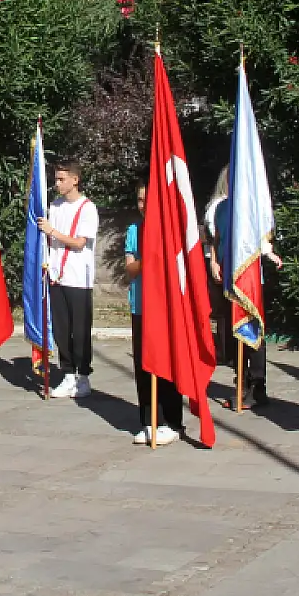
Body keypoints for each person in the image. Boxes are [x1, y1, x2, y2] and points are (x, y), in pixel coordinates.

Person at [204, 168, 282, 409]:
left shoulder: (253, 207)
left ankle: (257, 387)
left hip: (249, 278)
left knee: (252, 329)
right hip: (228, 276)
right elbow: (216, 239)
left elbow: (262, 237)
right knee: (232, 331)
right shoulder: (221, 208)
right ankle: (241, 383)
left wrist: (270, 254)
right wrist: (214, 262)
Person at [128, 184, 184, 445]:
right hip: (140, 306)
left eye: (147, 200)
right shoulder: (134, 230)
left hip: (163, 308)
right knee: (143, 366)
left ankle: (172, 422)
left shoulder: (169, 232)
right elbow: (130, 269)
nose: (143, 205)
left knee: (165, 365)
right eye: (139, 200)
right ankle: (149, 420)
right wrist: (146, 258)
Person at [41, 159, 98, 399]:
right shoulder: (55, 206)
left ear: (75, 180)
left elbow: (79, 242)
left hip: (78, 277)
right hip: (57, 276)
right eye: (56, 179)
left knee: (80, 330)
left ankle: (83, 376)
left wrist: (52, 231)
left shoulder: (87, 208)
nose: (57, 183)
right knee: (61, 329)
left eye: (61, 179)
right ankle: (67, 373)